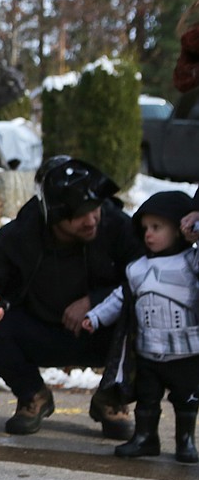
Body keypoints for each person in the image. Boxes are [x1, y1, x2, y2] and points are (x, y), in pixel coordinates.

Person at [0, 156, 141, 438]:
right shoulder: (21, 234)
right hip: (38, 332)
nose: (92, 220)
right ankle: (33, 395)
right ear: (55, 214)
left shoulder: (116, 226)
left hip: (102, 333)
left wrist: (96, 301)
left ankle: (112, 398)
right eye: (80, 214)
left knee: (153, 317)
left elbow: (148, 279)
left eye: (96, 209)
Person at [83, 190, 199, 463]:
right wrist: (96, 317)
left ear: (180, 228)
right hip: (147, 350)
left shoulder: (191, 263)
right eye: (145, 228)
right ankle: (146, 437)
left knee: (186, 399)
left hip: (187, 351)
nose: (149, 234)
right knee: (147, 398)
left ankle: (186, 441)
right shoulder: (137, 268)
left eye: (157, 227)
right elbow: (120, 298)